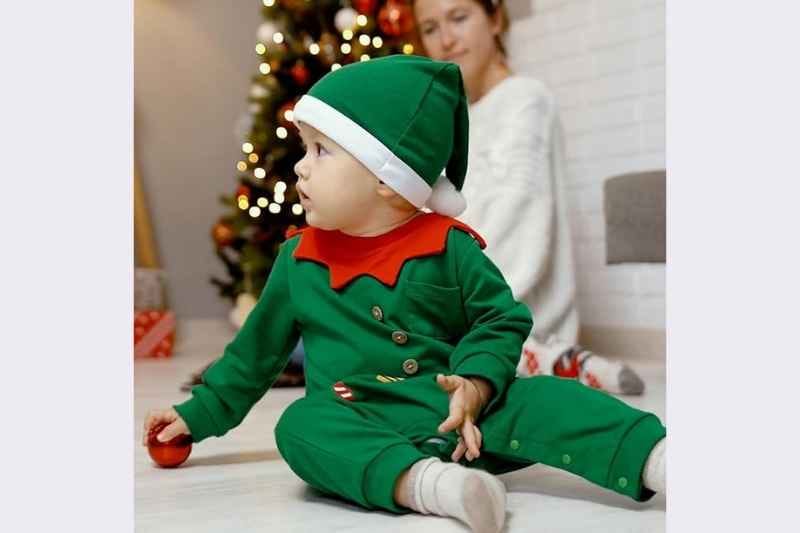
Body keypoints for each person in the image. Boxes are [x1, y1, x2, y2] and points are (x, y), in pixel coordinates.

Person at [144, 55, 665, 533]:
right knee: (300, 427)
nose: (300, 166)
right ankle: (431, 486)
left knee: (551, 397)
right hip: (362, 422)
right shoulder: (298, 263)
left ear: (388, 181)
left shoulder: (450, 248)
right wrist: (197, 414)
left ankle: (658, 458)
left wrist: (477, 385)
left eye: (321, 151)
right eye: (305, 148)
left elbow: (499, 320)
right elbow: (251, 359)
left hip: (466, 421)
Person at [412, 0, 645, 394]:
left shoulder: (525, 98)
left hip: (499, 309)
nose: (447, 39)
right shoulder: (452, 119)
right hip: (448, 301)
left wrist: (433, 308)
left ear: (495, 18)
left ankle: (539, 358)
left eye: (459, 18)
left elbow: (518, 234)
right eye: (431, 28)